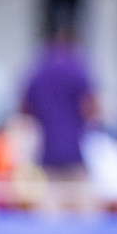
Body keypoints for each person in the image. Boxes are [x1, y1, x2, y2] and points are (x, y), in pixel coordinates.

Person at [20, 11, 98, 213]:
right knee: (83, 230)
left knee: (50, 228)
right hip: (74, 157)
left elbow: (24, 110)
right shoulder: (78, 69)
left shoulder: (37, 70)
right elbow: (91, 109)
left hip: (46, 158)